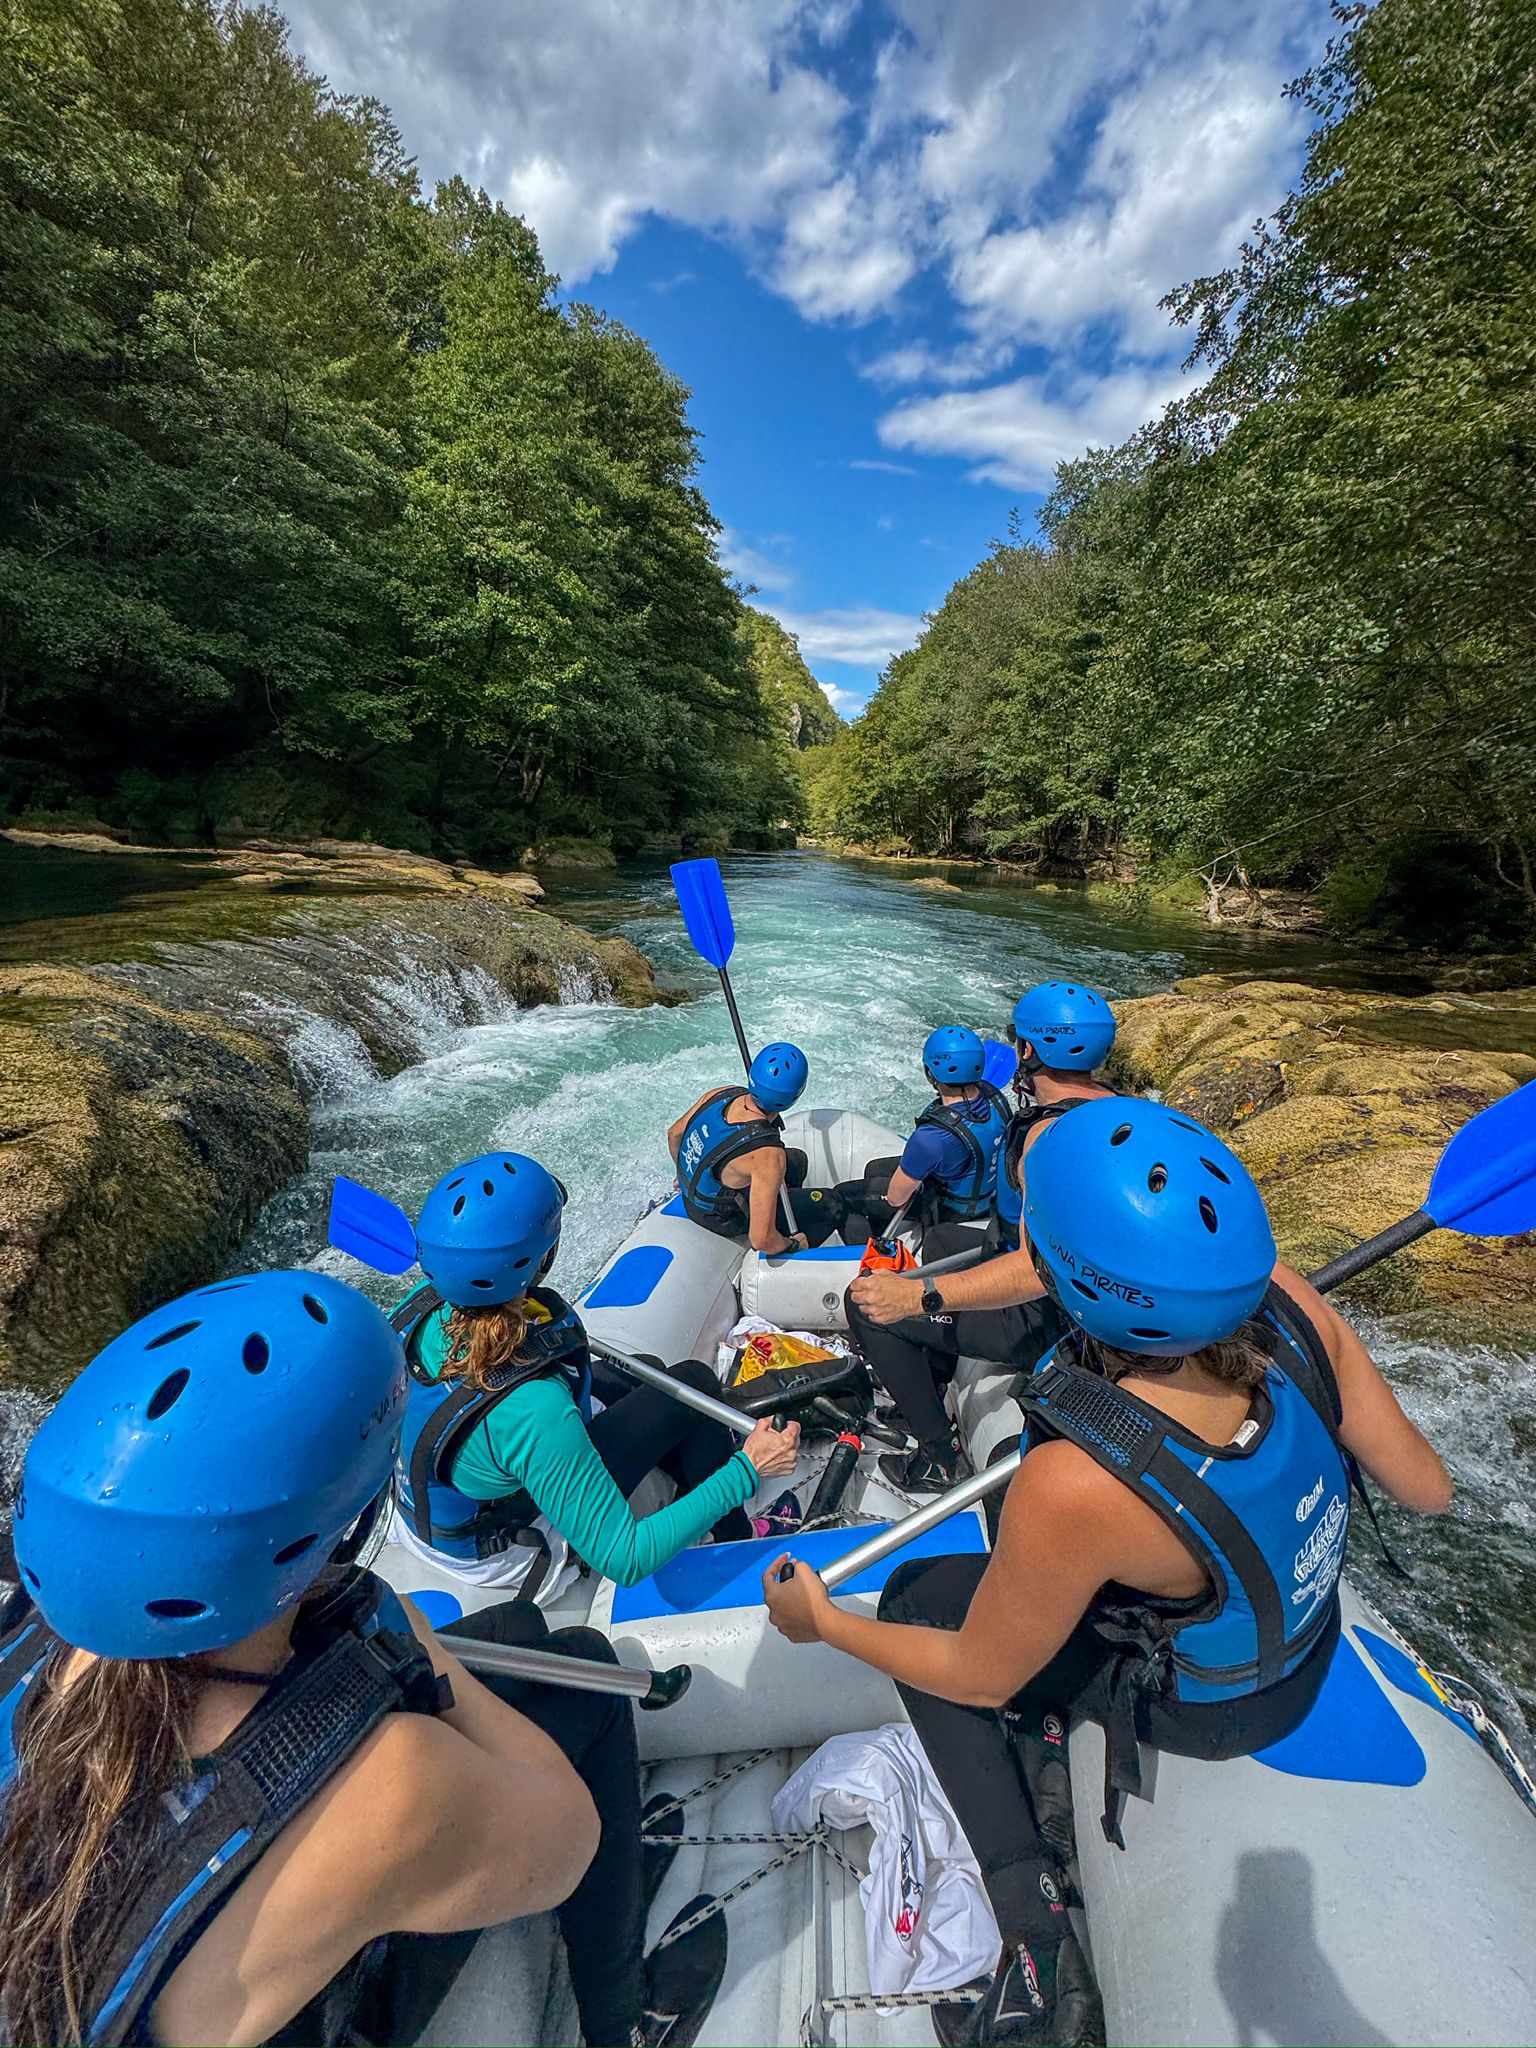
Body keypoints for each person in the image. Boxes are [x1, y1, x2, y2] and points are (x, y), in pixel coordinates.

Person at [765, 1099, 1451, 2045]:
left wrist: (825, 1622)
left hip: (1214, 1705)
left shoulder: (1076, 1484)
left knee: (918, 1599)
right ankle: (1050, 1743)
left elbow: (978, 1673)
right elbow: (1427, 1489)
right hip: (1305, 1636)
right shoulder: (1291, 1300)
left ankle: (1031, 1925)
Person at [0, 1271, 724, 2048]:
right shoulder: (400, 1778)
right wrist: (416, 1640)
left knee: (516, 1627)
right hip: (332, 2010)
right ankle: (624, 2019)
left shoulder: (38, 1627)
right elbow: (567, 1842)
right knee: (587, 1674)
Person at [391, 1150, 801, 1596]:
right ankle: (737, 1537)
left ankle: (692, 1480)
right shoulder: (536, 1410)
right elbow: (624, 1557)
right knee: (694, 1385)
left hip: (445, 1504)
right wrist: (748, 1468)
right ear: (540, 1260)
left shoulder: (420, 1307)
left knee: (652, 1374)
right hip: (507, 1545)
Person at [843, 986, 1119, 1492]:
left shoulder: (1047, 1143)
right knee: (943, 1241)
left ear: (1028, 1050)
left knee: (866, 1306)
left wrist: (919, 1297)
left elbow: (1038, 1269)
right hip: (1063, 1290)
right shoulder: (1118, 1109)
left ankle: (938, 1459)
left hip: (1048, 1319)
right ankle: (933, 1385)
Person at [838, 1027, 1011, 1251]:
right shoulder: (997, 1098)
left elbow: (896, 1198)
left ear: (930, 1073)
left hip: (949, 1209)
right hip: (986, 1196)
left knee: (843, 1197)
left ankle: (870, 1255)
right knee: (875, 1168)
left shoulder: (931, 1138)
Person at [668, 1042, 845, 1253]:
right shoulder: (769, 1155)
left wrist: (684, 1175)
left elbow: (674, 1133)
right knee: (833, 1203)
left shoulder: (722, 1093)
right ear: (794, 1097)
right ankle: (786, 1229)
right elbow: (761, 1240)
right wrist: (793, 1244)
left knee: (797, 1161)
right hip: (722, 1217)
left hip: (692, 1195)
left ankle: (777, 1203)